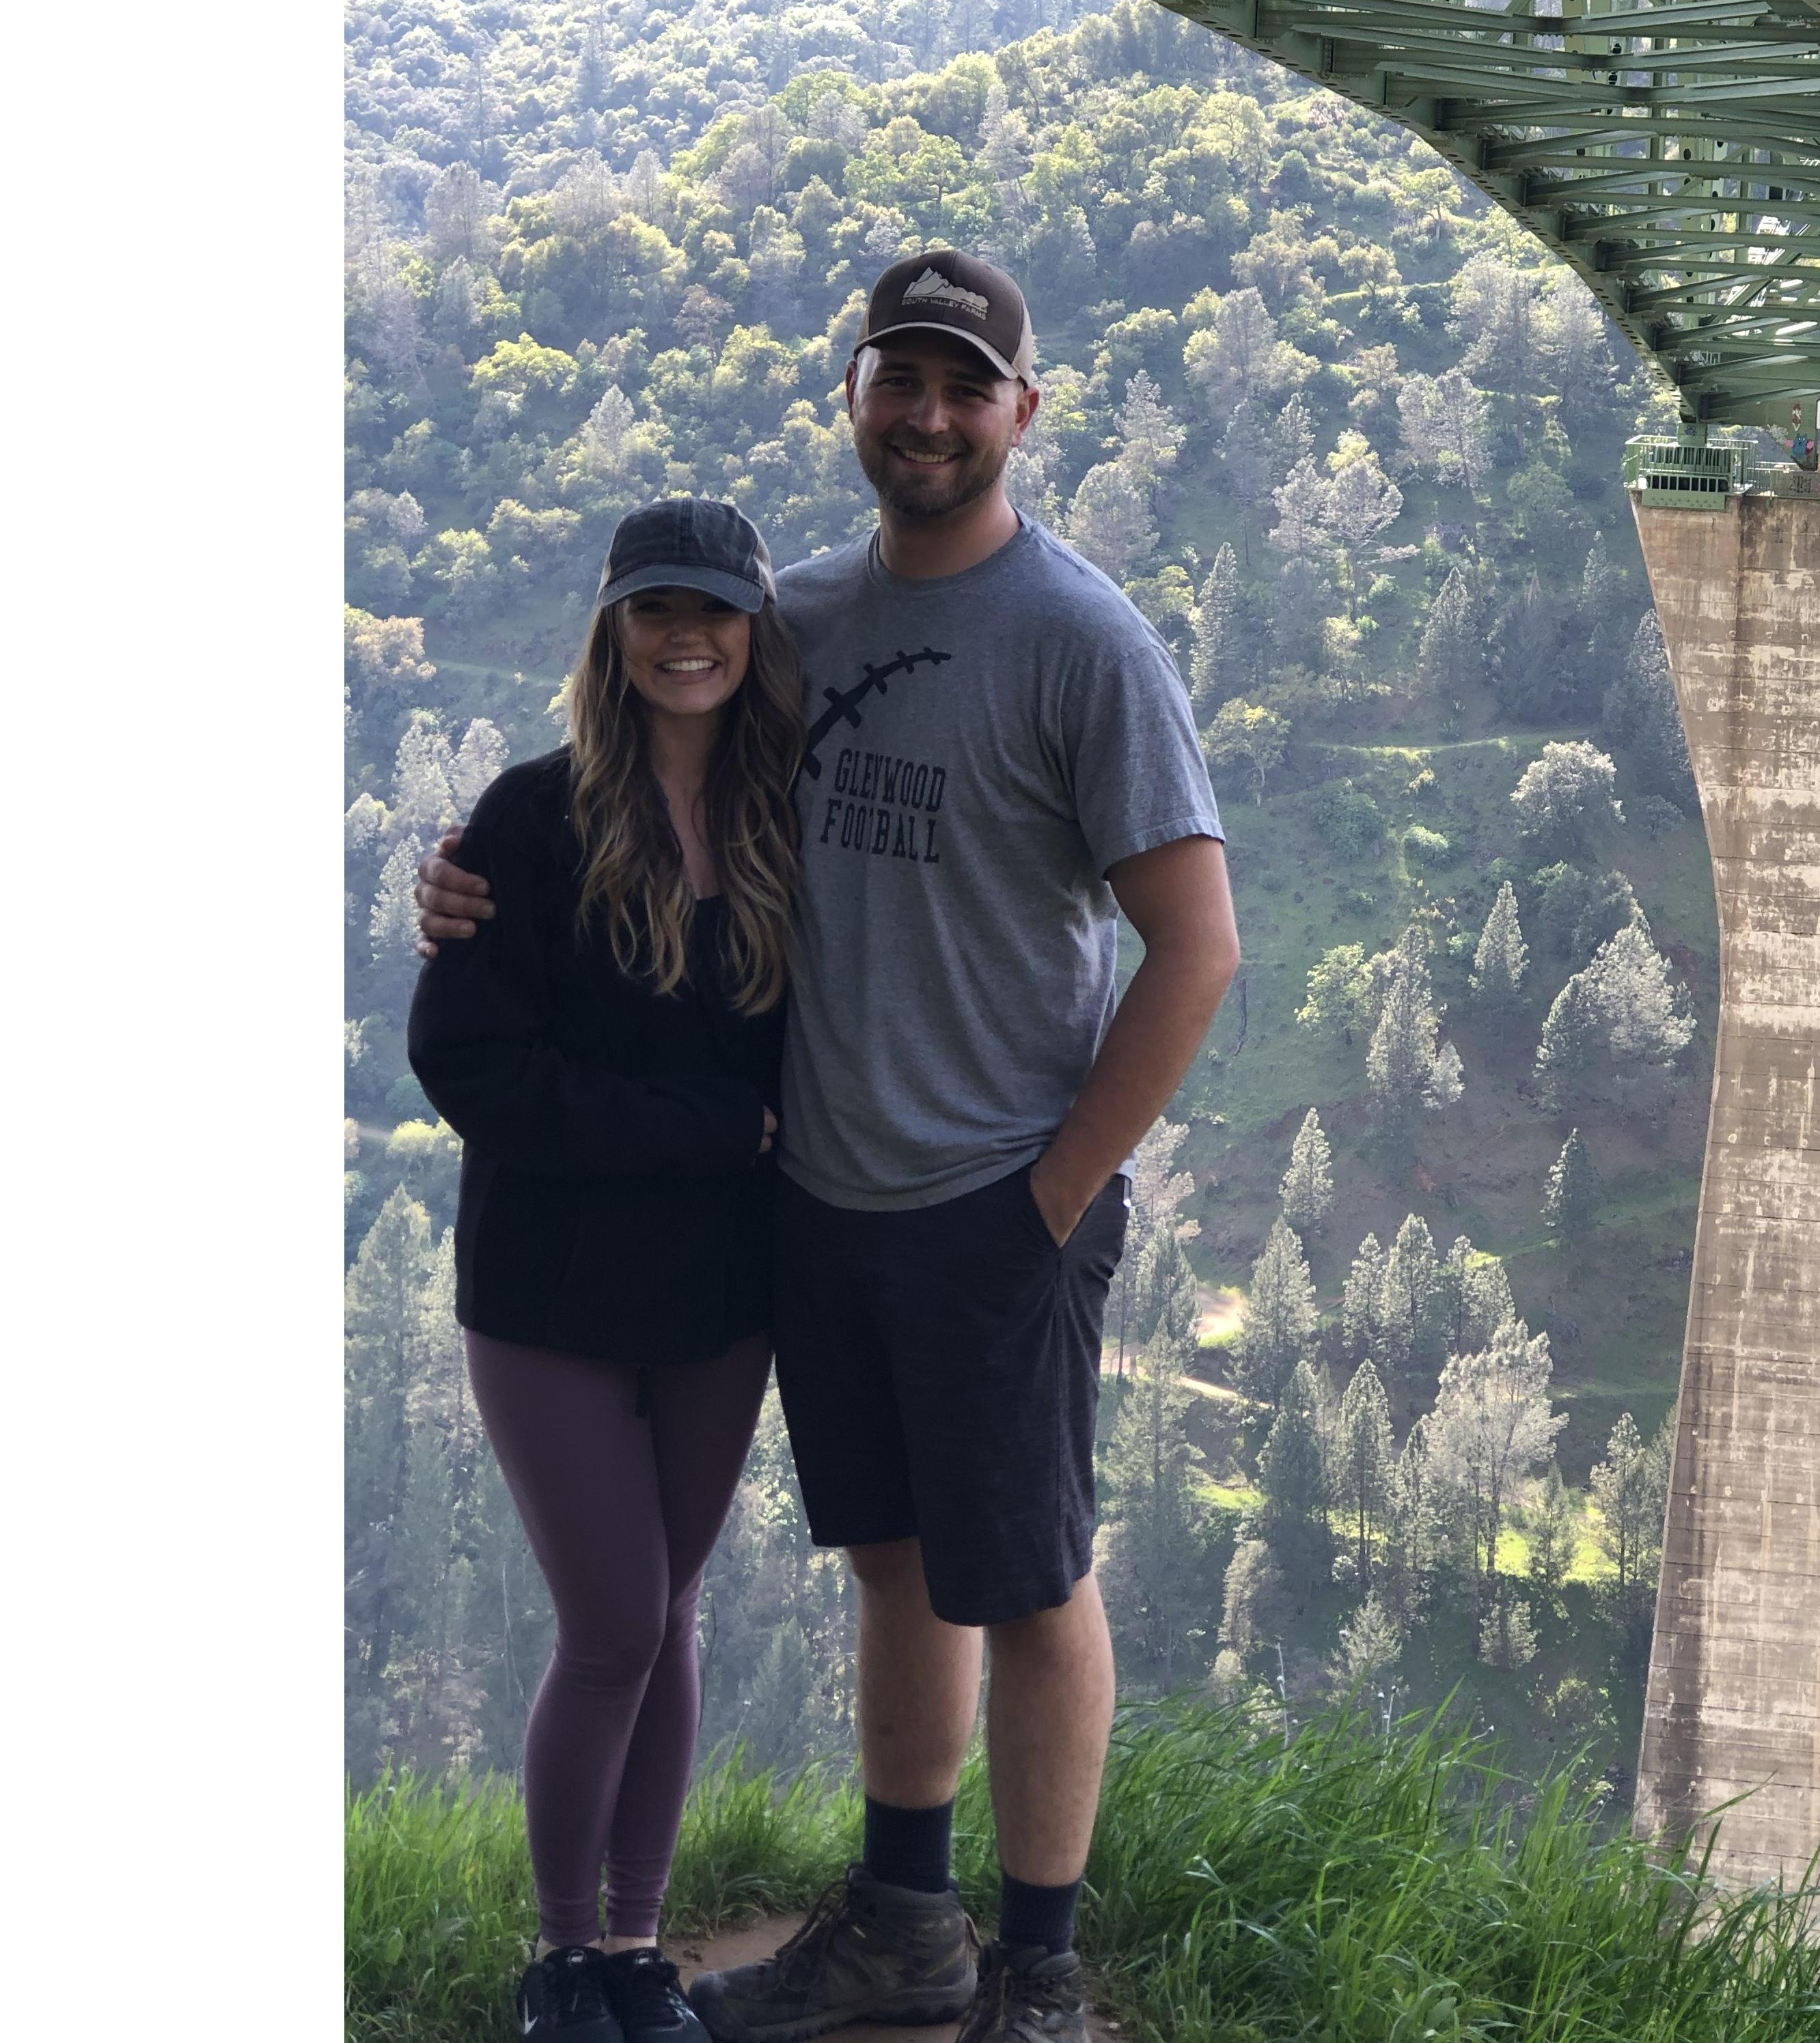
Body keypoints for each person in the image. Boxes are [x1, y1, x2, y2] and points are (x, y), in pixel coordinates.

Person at [421, 249, 1239, 2043]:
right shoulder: (794, 621)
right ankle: (902, 1921)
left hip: (995, 1202)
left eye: (967, 386)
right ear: (853, 399)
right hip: (819, 1203)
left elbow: (1199, 947)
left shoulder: (1085, 642)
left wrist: (1053, 1192)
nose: (930, 416)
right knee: (894, 1565)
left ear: (1025, 410)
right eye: (901, 381)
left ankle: (1035, 1970)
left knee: (1025, 1578)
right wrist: (466, 873)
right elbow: (648, 702)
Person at [409, 499, 800, 2043]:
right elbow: (467, 1058)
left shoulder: (790, 818)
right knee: (616, 1625)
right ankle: (561, 1959)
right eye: (656, 610)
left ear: (756, 633)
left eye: (714, 610)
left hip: (719, 1298)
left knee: (672, 1609)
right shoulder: (526, 817)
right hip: (552, 1295)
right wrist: (711, 1133)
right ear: (612, 629)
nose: (686, 637)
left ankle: (638, 1956)